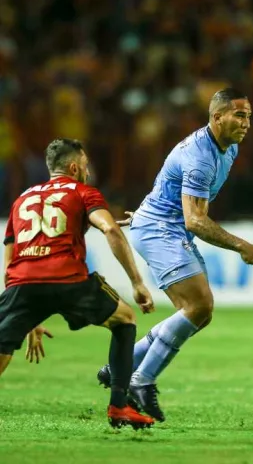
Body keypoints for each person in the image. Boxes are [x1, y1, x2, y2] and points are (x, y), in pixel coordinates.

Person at [97, 88, 253, 421]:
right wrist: (241, 245)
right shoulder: (201, 156)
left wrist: (145, 214)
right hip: (164, 229)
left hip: (164, 226)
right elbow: (196, 219)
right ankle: (141, 381)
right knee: (198, 306)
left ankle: (120, 365)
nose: (247, 123)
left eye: (249, 116)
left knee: (198, 313)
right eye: (240, 115)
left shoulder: (227, 148)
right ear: (217, 117)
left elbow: (177, 195)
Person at [0, 138, 156, 429]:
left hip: (23, 283)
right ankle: (119, 407)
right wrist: (137, 281)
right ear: (74, 167)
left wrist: (29, 316)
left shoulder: (22, 198)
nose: (88, 171)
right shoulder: (85, 192)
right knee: (125, 319)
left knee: (3, 345)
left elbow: (10, 262)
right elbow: (109, 228)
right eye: (85, 166)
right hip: (68, 279)